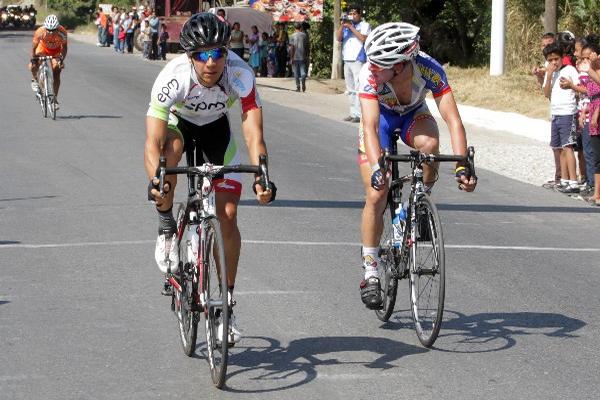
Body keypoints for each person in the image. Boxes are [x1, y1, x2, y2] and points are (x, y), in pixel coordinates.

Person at [144, 13, 276, 343]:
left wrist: (262, 173)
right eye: (202, 55)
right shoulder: (172, 77)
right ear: (189, 55)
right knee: (169, 154)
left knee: (228, 215)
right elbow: (153, 141)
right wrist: (157, 180)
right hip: (179, 127)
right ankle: (166, 226)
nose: (211, 61)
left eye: (218, 52)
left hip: (217, 131)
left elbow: (253, 129)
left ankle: (226, 305)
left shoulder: (240, 73)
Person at [356, 22, 477, 309]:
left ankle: (418, 203)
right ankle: (371, 270)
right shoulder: (368, 76)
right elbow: (370, 127)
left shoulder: (429, 69)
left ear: (399, 65)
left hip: (413, 115)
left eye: (379, 63)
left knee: (430, 146)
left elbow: (453, 120)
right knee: (377, 192)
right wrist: (376, 168)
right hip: (381, 122)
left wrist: (462, 166)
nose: (371, 67)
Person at [542, 43, 580, 194]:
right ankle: (564, 179)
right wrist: (549, 74)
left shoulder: (570, 70)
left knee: (568, 146)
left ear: (562, 58)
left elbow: (578, 87)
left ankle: (573, 181)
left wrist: (570, 86)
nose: (553, 62)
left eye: (556, 59)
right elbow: (546, 93)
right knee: (559, 148)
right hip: (555, 114)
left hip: (567, 113)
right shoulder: (550, 73)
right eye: (550, 60)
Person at [337, 5, 371, 123]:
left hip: (358, 60)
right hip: (347, 59)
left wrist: (351, 27)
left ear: (360, 14)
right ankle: (352, 113)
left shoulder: (365, 25)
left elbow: (363, 39)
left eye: (355, 13)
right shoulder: (346, 26)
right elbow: (338, 38)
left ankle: (360, 114)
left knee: (358, 88)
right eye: (350, 13)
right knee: (350, 89)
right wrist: (342, 25)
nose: (352, 15)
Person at [29, 15, 68, 106]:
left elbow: (65, 48)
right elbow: (34, 48)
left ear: (57, 28)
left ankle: (54, 99)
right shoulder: (39, 32)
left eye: (53, 30)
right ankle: (35, 79)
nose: (50, 32)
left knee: (56, 72)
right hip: (42, 49)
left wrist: (61, 58)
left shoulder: (62, 32)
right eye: (48, 30)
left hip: (56, 51)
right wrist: (34, 58)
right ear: (45, 28)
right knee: (33, 65)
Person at [289, 22, 309, 92]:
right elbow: (307, 46)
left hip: (295, 57)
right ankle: (303, 76)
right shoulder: (305, 35)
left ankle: (298, 87)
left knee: (296, 73)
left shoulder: (292, 36)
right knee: (303, 70)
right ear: (300, 28)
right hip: (303, 57)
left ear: (295, 28)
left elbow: (292, 48)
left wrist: (291, 58)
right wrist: (307, 55)